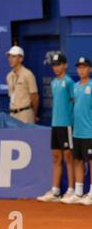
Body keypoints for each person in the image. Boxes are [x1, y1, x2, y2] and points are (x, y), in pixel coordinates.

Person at [37, 53, 75, 202]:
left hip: (66, 125)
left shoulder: (69, 82)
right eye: (54, 65)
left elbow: (73, 102)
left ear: (65, 65)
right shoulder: (53, 83)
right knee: (56, 157)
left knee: (68, 157)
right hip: (55, 124)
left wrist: (71, 122)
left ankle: (71, 190)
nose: (56, 68)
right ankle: (56, 190)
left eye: (59, 64)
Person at [61, 57, 92, 206]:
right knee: (78, 160)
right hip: (76, 132)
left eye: (84, 67)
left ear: (90, 69)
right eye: (79, 67)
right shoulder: (75, 87)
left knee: (91, 162)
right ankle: (79, 192)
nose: (81, 70)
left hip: (90, 131)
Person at [6, 46, 39, 124]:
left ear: (21, 59)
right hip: (12, 114)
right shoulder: (9, 76)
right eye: (9, 56)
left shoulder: (28, 74)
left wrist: (34, 114)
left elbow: (35, 96)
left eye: (13, 56)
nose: (10, 59)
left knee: (26, 136)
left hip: (25, 113)